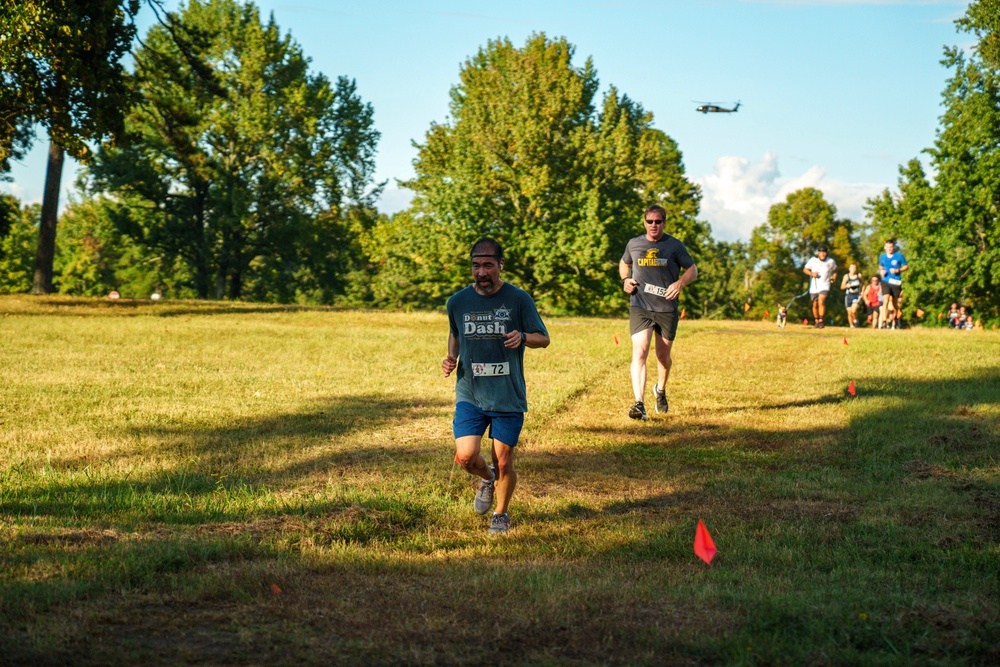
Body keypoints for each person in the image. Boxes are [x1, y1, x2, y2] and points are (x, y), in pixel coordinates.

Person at [442, 238, 550, 534]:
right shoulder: (458, 301)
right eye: (476, 265)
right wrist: (451, 356)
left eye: (488, 265)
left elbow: (544, 337)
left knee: (503, 462)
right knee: (465, 456)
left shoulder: (518, 299)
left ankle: (501, 514)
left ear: (500, 265)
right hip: (471, 391)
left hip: (506, 394)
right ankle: (486, 479)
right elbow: (455, 332)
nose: (482, 272)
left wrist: (523, 337)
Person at [619, 204, 698, 420]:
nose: (653, 225)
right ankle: (639, 404)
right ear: (644, 222)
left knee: (663, 357)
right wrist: (626, 279)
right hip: (640, 305)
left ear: (664, 222)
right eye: (649, 221)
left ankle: (660, 390)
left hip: (666, 308)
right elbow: (624, 263)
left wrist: (680, 283)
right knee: (640, 350)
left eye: (658, 221)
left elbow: (693, 269)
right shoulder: (634, 244)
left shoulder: (674, 246)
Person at [803, 246, 837, 329]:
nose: (823, 254)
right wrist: (812, 274)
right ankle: (816, 320)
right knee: (815, 304)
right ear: (818, 253)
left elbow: (835, 270)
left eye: (824, 252)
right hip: (814, 286)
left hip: (825, 285)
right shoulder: (813, 261)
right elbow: (805, 269)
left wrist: (834, 277)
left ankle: (821, 320)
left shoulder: (830, 261)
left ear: (827, 253)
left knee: (821, 301)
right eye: (821, 252)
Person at [878, 239, 909, 330]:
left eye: (891, 247)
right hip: (885, 281)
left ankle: (895, 320)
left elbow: (906, 266)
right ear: (885, 247)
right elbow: (880, 266)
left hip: (895, 282)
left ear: (893, 247)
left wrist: (897, 270)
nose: (889, 249)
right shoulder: (882, 256)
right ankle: (884, 321)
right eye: (887, 247)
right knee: (886, 300)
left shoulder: (899, 256)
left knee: (895, 303)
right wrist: (881, 271)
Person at [840, 263, 863, 327]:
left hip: (856, 295)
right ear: (849, 269)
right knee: (849, 312)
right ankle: (851, 325)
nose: (853, 269)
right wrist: (847, 286)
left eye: (854, 268)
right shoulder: (846, 276)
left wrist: (863, 292)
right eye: (852, 268)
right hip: (848, 295)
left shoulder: (859, 276)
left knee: (854, 310)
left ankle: (855, 320)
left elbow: (863, 284)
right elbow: (841, 287)